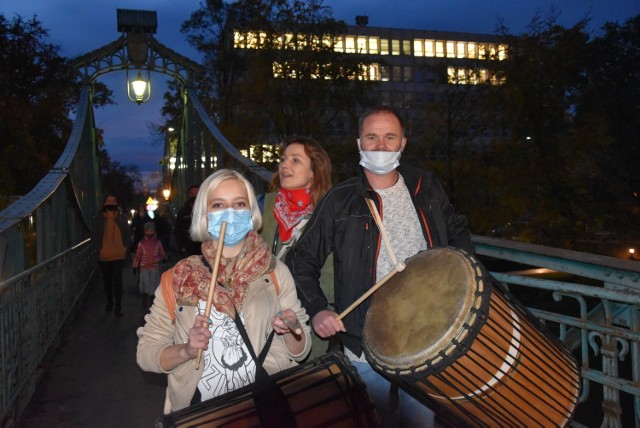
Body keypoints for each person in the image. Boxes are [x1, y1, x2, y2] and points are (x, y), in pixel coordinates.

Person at [285, 105, 473, 426]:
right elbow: (302, 259)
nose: (381, 146)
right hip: (364, 344)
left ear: (403, 144)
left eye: (390, 138)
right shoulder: (340, 199)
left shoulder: (425, 187)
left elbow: (458, 236)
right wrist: (318, 309)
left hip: (424, 337)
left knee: (420, 423)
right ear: (359, 143)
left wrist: (460, 288)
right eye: (372, 138)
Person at [137, 169, 311, 414]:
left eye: (239, 204)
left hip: (264, 409)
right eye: (218, 205)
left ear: (251, 213)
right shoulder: (177, 278)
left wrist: (293, 328)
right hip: (201, 414)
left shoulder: (275, 272)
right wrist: (186, 350)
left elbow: (301, 349)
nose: (230, 212)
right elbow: (146, 353)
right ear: (204, 215)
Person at [260, 136, 335, 361]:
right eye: (283, 159)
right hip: (265, 314)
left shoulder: (330, 213)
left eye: (295, 160)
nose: (284, 165)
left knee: (304, 389)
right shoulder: (262, 205)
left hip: (312, 316)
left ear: (314, 171)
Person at [92, 194, 131, 317]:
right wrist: (99, 249)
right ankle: (110, 301)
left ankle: (118, 307)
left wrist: (125, 248)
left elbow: (127, 235)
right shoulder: (98, 218)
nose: (111, 203)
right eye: (109, 201)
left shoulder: (122, 218)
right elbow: (94, 236)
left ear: (116, 203)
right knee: (107, 281)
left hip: (119, 255)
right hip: (104, 256)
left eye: (113, 201)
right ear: (104, 203)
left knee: (118, 281)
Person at [132, 221, 165, 311]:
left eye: (151, 230)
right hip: (144, 267)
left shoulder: (157, 242)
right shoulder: (142, 243)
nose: (149, 232)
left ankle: (151, 302)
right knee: (145, 284)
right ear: (144, 231)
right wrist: (135, 266)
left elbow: (162, 253)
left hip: (154, 267)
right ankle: (144, 300)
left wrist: (157, 258)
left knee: (153, 285)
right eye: (147, 231)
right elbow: (138, 255)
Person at [174, 184, 202, 257]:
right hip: (189, 249)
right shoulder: (183, 212)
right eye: (192, 194)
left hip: (205, 248)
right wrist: (182, 246)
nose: (195, 196)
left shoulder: (207, 210)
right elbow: (178, 230)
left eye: (197, 194)